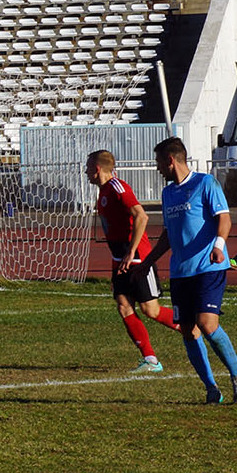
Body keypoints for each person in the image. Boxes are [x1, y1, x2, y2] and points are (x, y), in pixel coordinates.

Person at [137, 137, 237, 405]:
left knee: (207, 324)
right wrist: (148, 262)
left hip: (209, 266)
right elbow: (168, 234)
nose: (157, 169)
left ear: (170, 160)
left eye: (158, 163)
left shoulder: (205, 183)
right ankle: (211, 389)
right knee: (188, 330)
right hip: (180, 272)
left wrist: (219, 245)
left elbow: (224, 218)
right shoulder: (168, 193)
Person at [86, 150, 179, 371]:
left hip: (137, 258)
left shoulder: (118, 187)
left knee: (151, 310)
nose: (86, 172)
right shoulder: (104, 192)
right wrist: (116, 262)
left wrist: (131, 252)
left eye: (88, 168)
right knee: (124, 306)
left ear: (97, 169)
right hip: (120, 259)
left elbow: (141, 215)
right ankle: (150, 360)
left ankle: (192, 327)